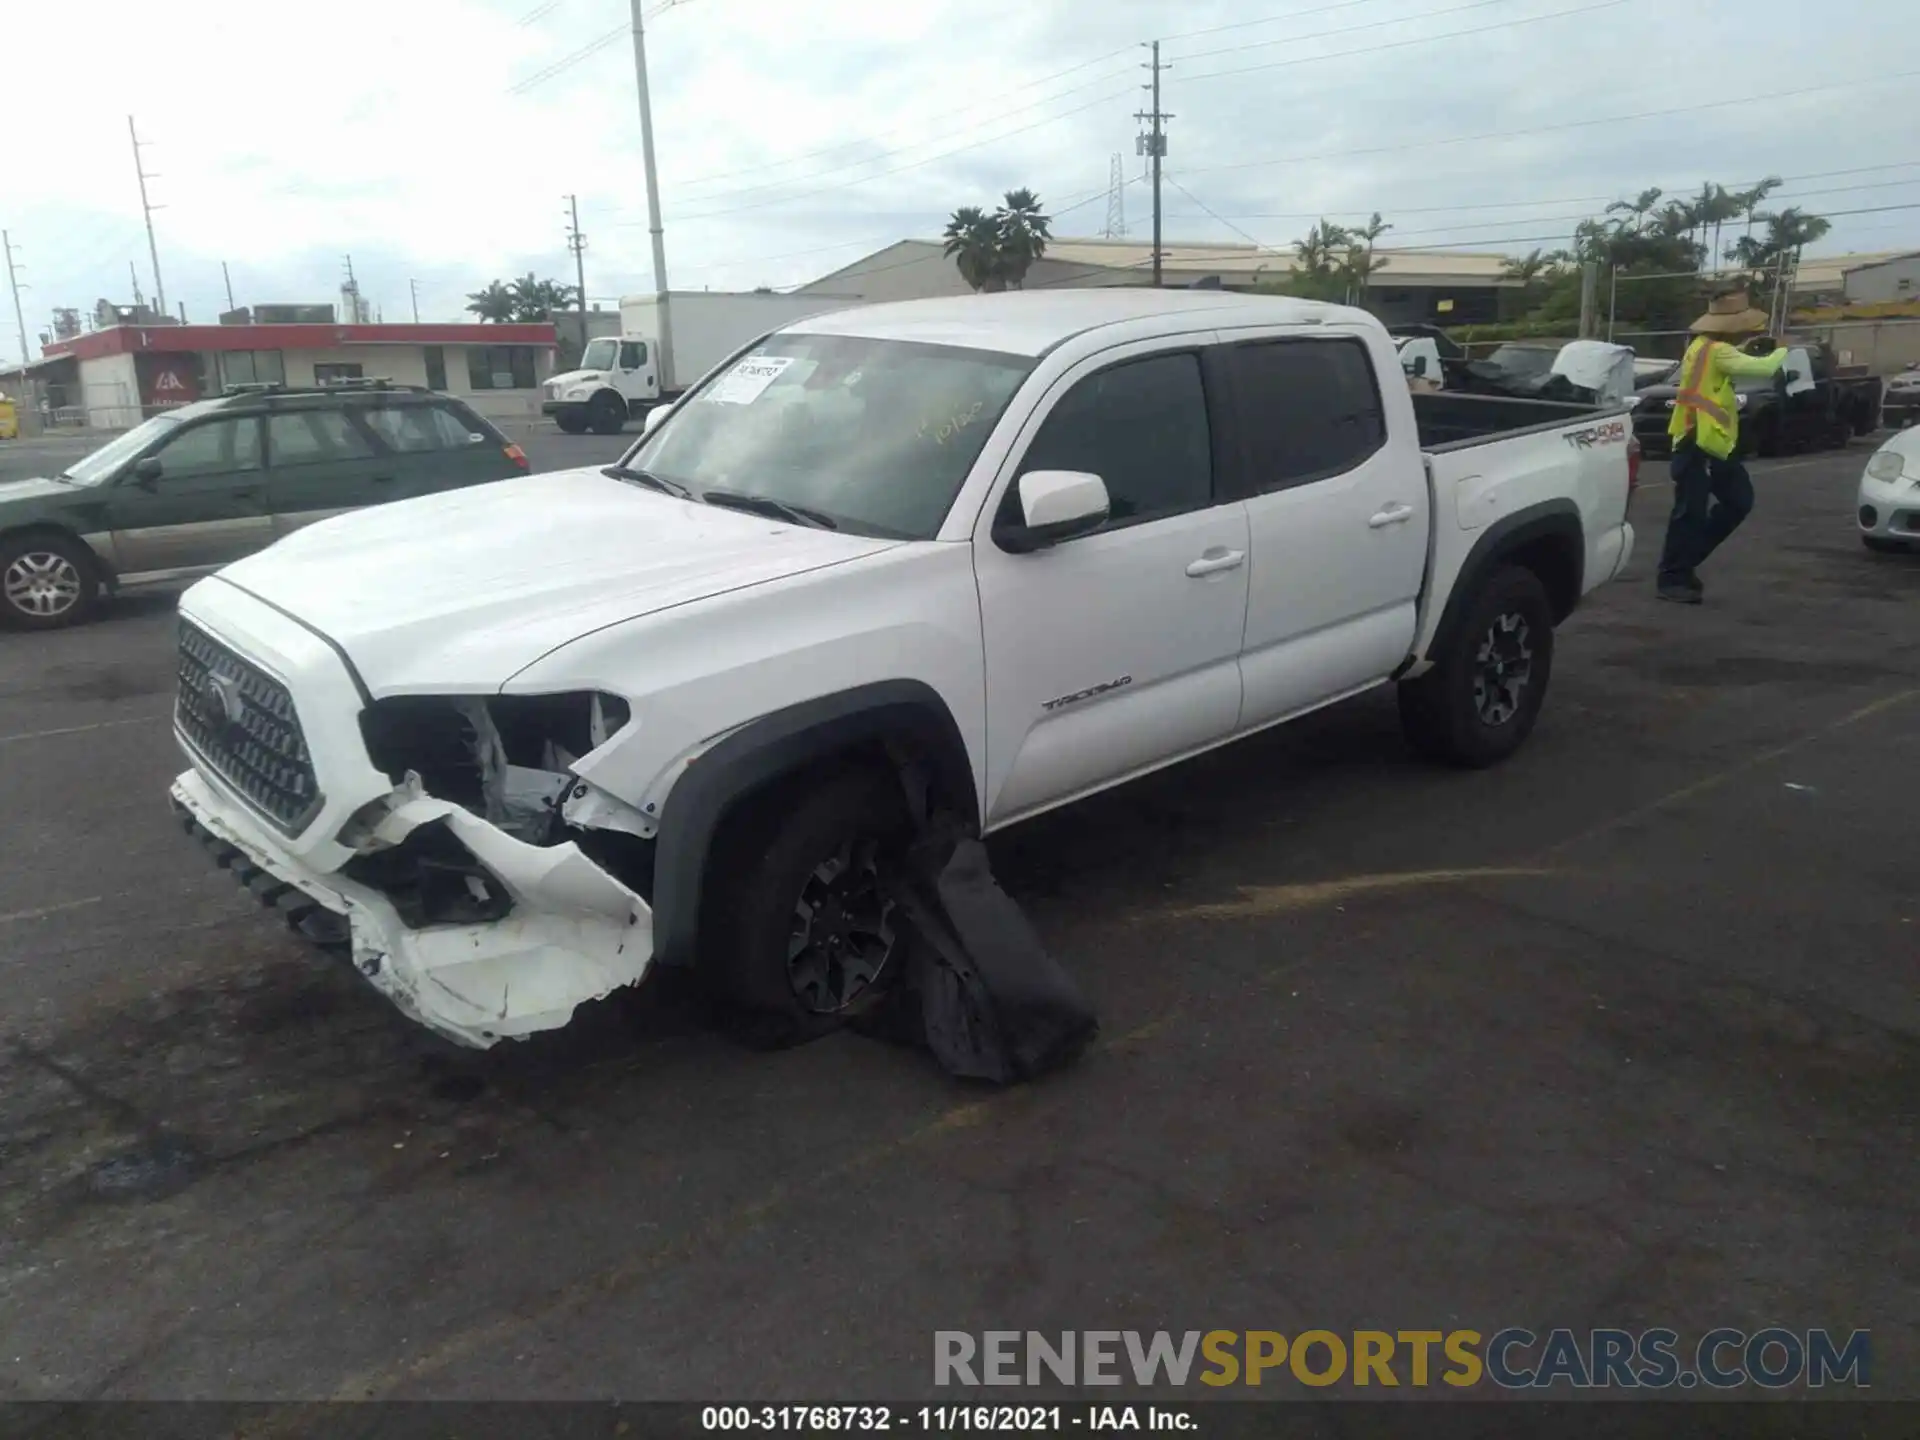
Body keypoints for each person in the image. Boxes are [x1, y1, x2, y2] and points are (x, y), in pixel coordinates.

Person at [1656, 290, 1789, 604]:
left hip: (1710, 442)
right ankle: (1673, 575)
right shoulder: (1716, 351)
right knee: (1691, 511)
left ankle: (1685, 563)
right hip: (1698, 442)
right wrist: (1784, 350)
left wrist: (1747, 349)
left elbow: (1730, 361)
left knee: (1735, 502)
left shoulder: (1702, 347)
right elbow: (1764, 368)